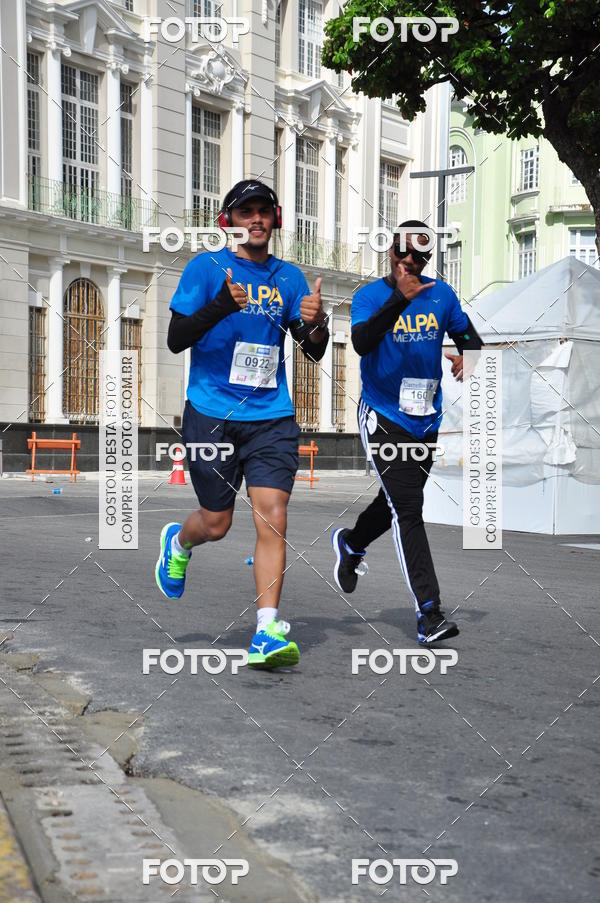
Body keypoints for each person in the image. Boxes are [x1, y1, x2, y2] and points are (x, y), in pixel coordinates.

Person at [156, 179, 329, 669]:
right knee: (217, 522)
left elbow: (311, 348)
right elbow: (175, 338)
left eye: (264, 211)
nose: (256, 219)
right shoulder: (206, 268)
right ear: (226, 222)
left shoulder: (289, 278)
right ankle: (180, 541)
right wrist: (221, 306)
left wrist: (318, 323)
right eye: (245, 211)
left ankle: (267, 632)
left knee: (273, 515)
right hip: (211, 413)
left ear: (276, 218)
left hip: (270, 415)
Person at [331, 221, 483, 645]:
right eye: (403, 253)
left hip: (426, 420)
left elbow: (470, 338)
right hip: (381, 415)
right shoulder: (370, 296)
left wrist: (466, 357)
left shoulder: (442, 295)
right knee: (409, 509)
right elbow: (361, 342)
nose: (410, 262)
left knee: (396, 502)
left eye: (420, 257)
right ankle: (429, 613)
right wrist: (400, 298)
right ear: (391, 251)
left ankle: (351, 542)